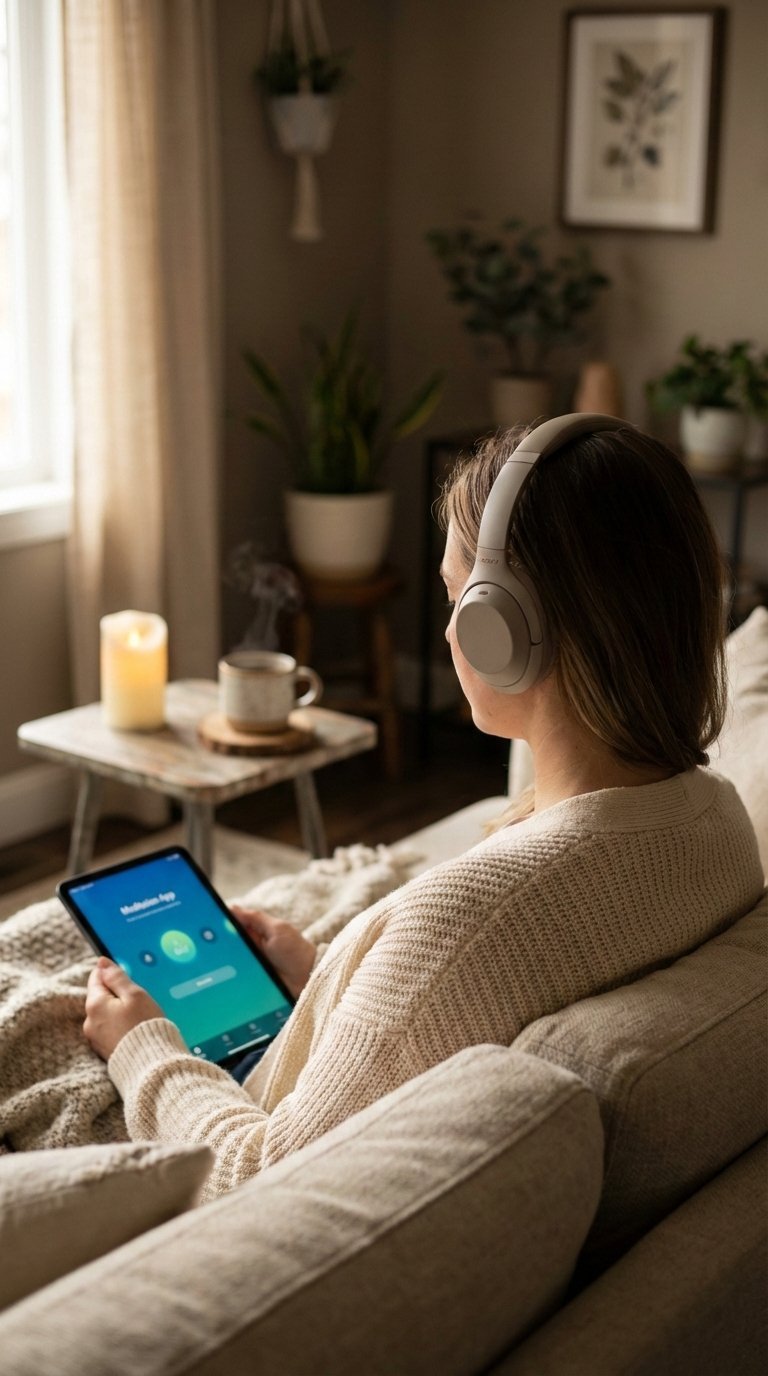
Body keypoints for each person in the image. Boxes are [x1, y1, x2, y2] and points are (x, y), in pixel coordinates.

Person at [84, 416, 764, 1202]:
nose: (448, 630)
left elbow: (258, 1179)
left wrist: (141, 1048)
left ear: (504, 628)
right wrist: (330, 988)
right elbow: (457, 1008)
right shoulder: (716, 818)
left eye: (457, 600)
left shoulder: (466, 921)